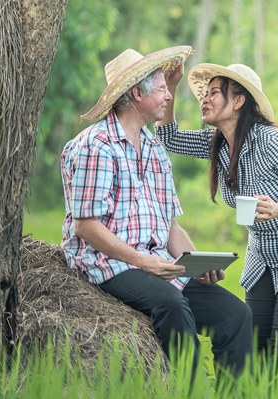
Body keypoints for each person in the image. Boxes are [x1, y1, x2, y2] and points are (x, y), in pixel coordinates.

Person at [60, 47, 253, 377]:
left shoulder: (153, 149)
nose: (168, 97)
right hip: (107, 262)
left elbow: (169, 225)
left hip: (153, 262)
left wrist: (195, 262)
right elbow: (86, 226)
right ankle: (189, 391)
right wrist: (142, 260)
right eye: (163, 89)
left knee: (236, 315)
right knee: (171, 304)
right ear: (137, 93)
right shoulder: (98, 145)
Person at [155, 62, 278, 378]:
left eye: (214, 93)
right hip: (262, 254)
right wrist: (170, 87)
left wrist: (277, 208)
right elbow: (169, 138)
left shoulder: (271, 141)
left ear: (239, 101)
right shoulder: (217, 144)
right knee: (251, 345)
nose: (204, 100)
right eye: (204, 94)